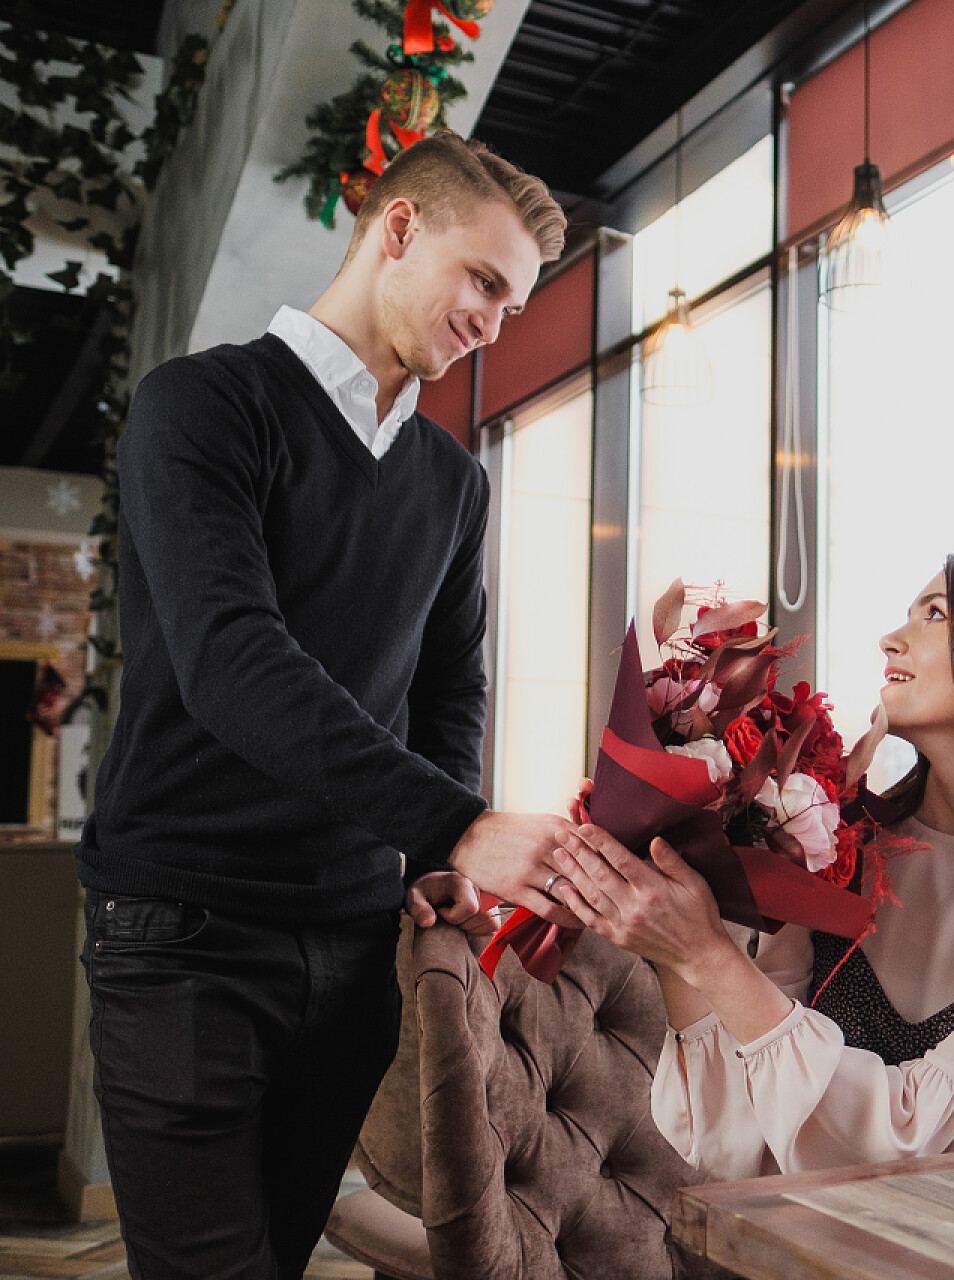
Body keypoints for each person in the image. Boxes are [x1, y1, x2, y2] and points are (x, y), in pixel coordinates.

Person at [77, 132, 585, 1279]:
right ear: (397, 229)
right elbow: (232, 660)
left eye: (515, 301)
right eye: (485, 282)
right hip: (181, 935)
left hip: (355, 947)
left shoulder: (453, 483)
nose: (495, 325)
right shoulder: (202, 407)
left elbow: (450, 687)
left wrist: (428, 854)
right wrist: (458, 820)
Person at [546, 544, 954, 1179]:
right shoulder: (841, 845)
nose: (890, 639)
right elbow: (735, 1141)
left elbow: (914, 1149)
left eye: (934, 614)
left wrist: (706, 954)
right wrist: (669, 926)